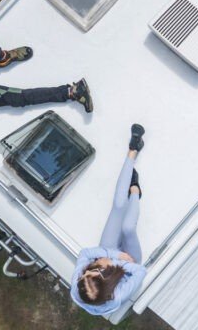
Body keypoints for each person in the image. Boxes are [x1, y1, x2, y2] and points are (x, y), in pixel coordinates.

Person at [71, 124, 147, 315]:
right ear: (107, 279)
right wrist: (119, 262)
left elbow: (85, 254)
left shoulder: (79, 285)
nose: (87, 269)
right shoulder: (117, 295)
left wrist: (111, 256)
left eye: (87, 271)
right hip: (129, 262)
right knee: (128, 227)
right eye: (95, 268)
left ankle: (133, 149)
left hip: (111, 252)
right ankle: (136, 191)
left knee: (119, 207)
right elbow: (140, 272)